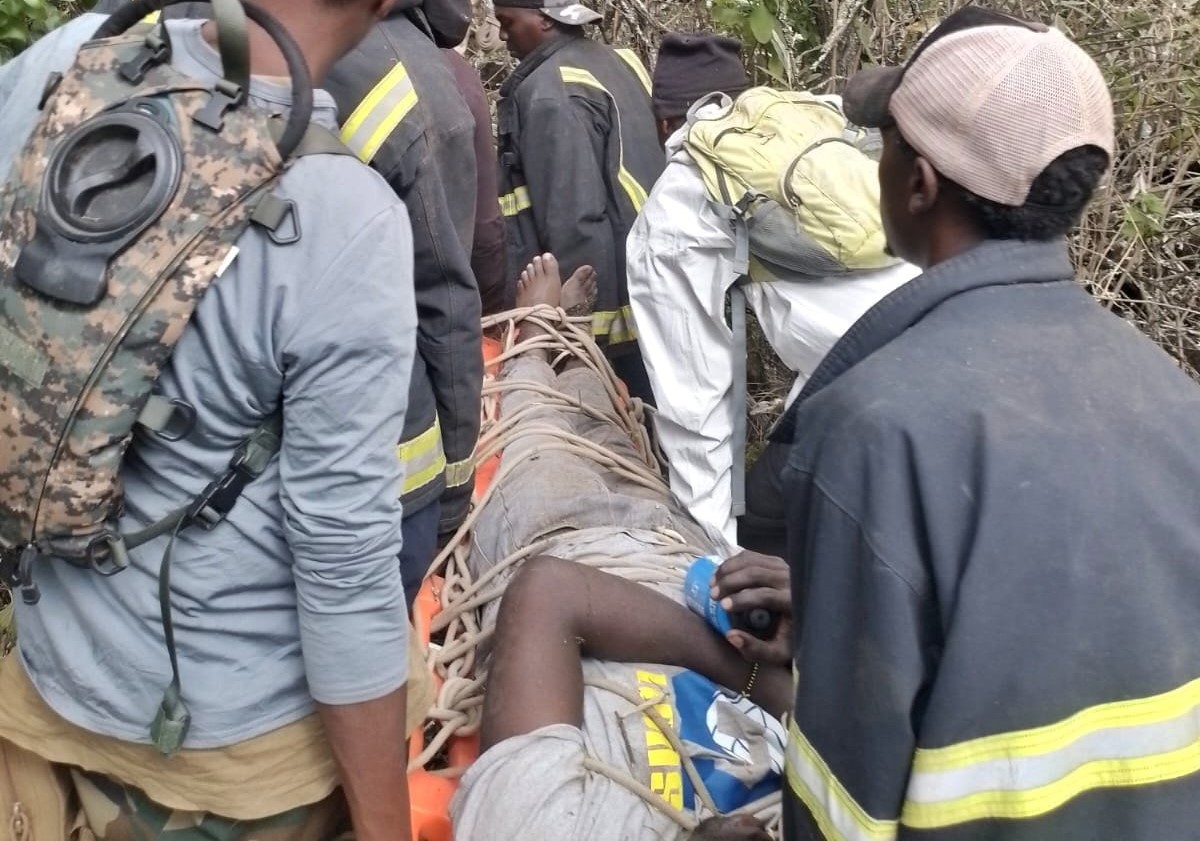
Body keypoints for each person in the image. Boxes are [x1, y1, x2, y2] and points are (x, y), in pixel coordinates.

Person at [743, 6, 1200, 838]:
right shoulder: (1172, 393)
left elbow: (840, 811)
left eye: (883, 141)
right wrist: (840, 598)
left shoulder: (874, 431)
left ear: (918, 184)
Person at [0, 3, 429, 839]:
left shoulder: (73, 57)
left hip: (42, 686)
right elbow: (342, 571)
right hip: (221, 761)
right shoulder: (345, 217)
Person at [97, 0, 487, 603]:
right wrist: (455, 489)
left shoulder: (138, 29)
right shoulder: (413, 87)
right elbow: (445, 305)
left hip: (135, 433)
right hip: (365, 466)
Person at [449, 255, 791, 840]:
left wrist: (754, 676)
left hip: (564, 543)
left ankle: (535, 333)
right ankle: (574, 336)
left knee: (539, 422)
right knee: (606, 424)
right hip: (676, 554)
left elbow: (550, 592)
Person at [626, 35, 918, 554]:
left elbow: (694, 401)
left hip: (882, 392)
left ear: (664, 124)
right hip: (963, 330)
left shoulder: (679, 203)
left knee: (768, 533)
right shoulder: (818, 119)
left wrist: (711, 561)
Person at [492, 0, 663, 403]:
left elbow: (573, 214)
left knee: (615, 420)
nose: (501, 36)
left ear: (545, 19)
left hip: (606, 306)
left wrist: (571, 325)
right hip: (650, 279)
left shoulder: (549, 93)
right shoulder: (618, 60)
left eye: (507, 22)